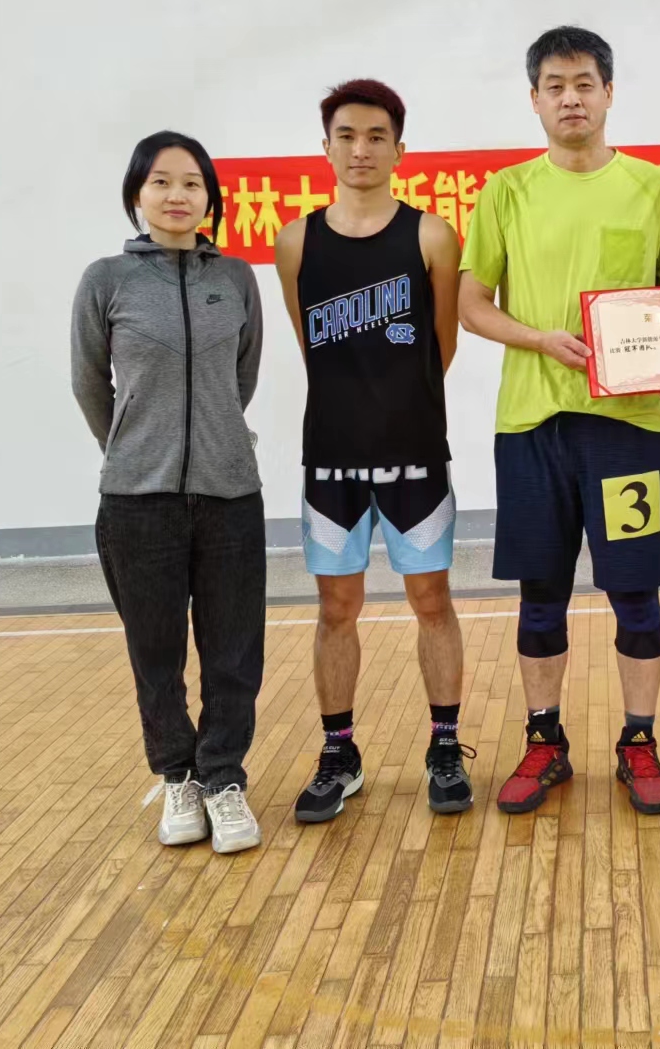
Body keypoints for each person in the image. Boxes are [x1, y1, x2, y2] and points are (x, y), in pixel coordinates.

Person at [459, 26, 660, 816]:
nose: (571, 98)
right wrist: (539, 339)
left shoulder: (653, 188)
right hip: (532, 427)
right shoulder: (506, 191)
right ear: (534, 99)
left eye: (584, 83)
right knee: (540, 595)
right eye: (555, 86)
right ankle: (544, 741)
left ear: (609, 92)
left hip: (629, 430)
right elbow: (471, 304)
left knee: (636, 593)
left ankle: (639, 741)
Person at [274, 80, 471, 819]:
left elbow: (441, 347)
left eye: (377, 136)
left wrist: (396, 406)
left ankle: (444, 745)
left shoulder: (432, 235)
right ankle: (339, 751)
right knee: (336, 608)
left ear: (399, 149)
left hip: (416, 454)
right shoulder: (295, 242)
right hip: (330, 458)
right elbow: (311, 345)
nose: (361, 149)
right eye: (347, 135)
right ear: (325, 147)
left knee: (432, 600)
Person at [71, 131, 267, 854]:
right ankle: (178, 776)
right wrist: (132, 447)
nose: (177, 195)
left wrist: (214, 436)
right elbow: (89, 383)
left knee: (234, 653)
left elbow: (242, 377)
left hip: (229, 493)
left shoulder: (237, 278)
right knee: (155, 653)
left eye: (192, 183)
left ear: (210, 197)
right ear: (137, 194)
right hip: (136, 498)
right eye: (161, 182)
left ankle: (224, 779)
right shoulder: (105, 281)